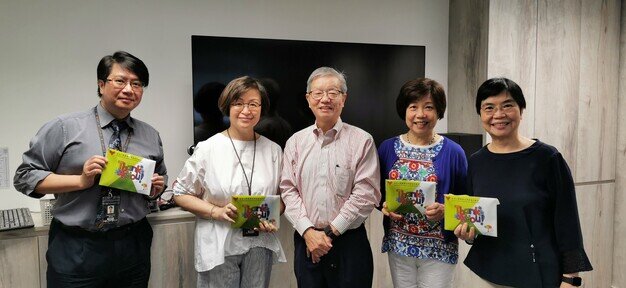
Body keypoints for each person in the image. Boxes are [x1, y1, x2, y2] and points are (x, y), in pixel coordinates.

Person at [13, 51, 167, 287]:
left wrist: (156, 188)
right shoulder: (65, 127)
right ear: (101, 84)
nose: (129, 89)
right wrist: (81, 181)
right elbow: (24, 177)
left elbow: (161, 177)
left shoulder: (149, 134)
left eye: (136, 84)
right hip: (77, 246)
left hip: (133, 243)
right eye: (120, 81)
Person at [454, 78, 593, 287]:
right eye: (489, 107)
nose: (499, 115)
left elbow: (567, 221)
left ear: (521, 110)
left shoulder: (547, 157)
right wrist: (469, 235)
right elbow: (479, 218)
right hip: (490, 272)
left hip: (538, 273)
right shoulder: (476, 161)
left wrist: (570, 278)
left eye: (507, 105)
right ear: (481, 114)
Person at [173, 76, 285, 288]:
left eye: (253, 104)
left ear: (262, 108)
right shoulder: (208, 148)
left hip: (259, 243)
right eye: (238, 103)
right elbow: (180, 193)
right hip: (219, 243)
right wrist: (217, 212)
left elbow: (283, 198)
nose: (246, 110)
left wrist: (271, 215)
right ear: (227, 106)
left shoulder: (273, 150)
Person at [280, 67, 381, 288]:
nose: (325, 99)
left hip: (349, 243)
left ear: (343, 99)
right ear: (308, 99)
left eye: (333, 93)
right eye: (318, 93)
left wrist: (327, 234)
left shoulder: (362, 140)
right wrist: (308, 232)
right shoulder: (295, 143)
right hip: (306, 240)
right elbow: (288, 191)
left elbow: (366, 193)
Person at [378, 78, 467, 288]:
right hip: (399, 245)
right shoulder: (387, 148)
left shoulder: (454, 152)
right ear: (404, 111)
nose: (420, 114)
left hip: (440, 248)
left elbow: (466, 199)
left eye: (429, 107)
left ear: (438, 111)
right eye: (413, 107)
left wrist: (446, 210)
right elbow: (377, 194)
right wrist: (383, 207)